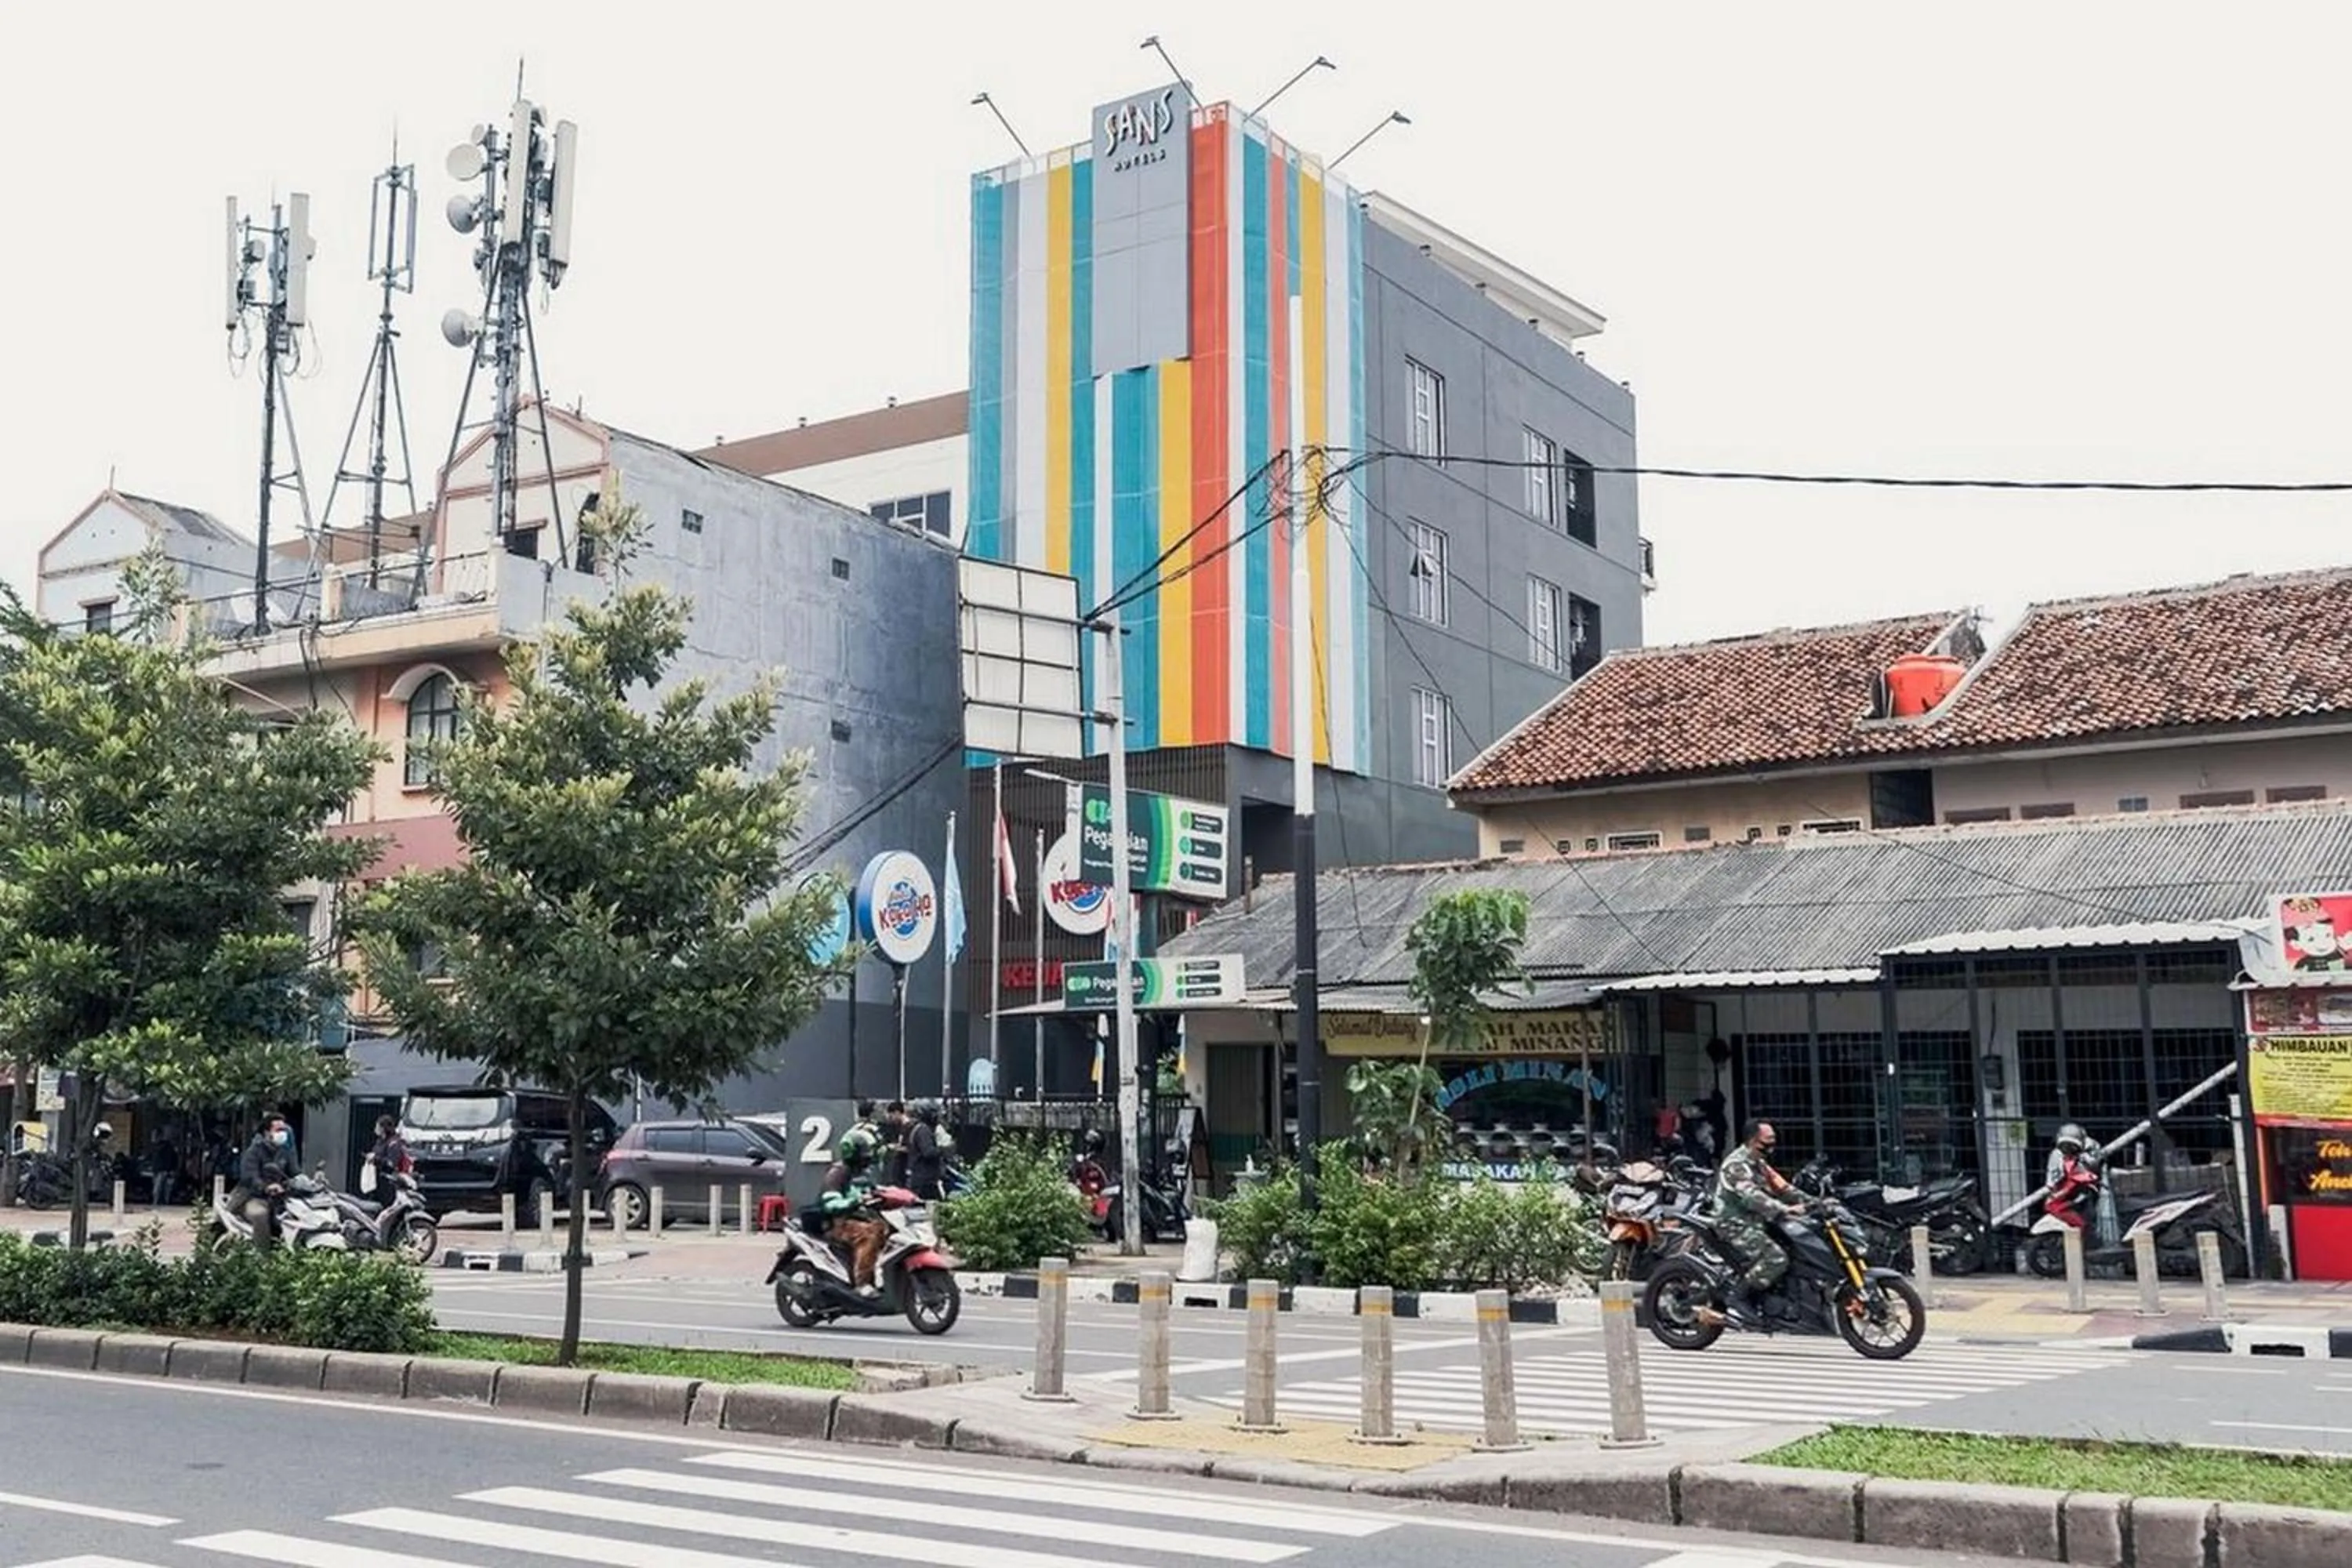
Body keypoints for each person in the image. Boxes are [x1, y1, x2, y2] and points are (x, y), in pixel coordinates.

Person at [1715, 1118, 1807, 1327]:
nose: (1772, 1145)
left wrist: (1814, 1202)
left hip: (1759, 1222)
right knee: (1776, 1258)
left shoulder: (1760, 1164)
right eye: (1768, 1141)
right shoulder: (1736, 1165)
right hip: (1734, 1224)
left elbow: (1783, 1188)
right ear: (1753, 1141)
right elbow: (1753, 1197)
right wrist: (1785, 1209)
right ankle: (1738, 1298)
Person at [818, 1127, 887, 1295]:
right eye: (865, 1152)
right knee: (869, 1235)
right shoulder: (838, 1172)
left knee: (888, 1230)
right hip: (838, 1225)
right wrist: (854, 1201)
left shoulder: (863, 1173)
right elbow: (830, 1203)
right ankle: (862, 1283)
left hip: (859, 1220)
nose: (868, 1156)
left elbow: (874, 1191)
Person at [230, 1114, 296, 1248]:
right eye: (278, 1130)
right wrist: (266, 1187)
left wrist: (308, 1183)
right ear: (267, 1132)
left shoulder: (285, 1152)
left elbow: (295, 1173)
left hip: (280, 1198)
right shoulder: (254, 1152)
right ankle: (263, 1258)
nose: (283, 1133)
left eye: (284, 1130)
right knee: (260, 1215)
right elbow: (249, 1177)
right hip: (252, 1198)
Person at [905, 1102, 945, 1200]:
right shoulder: (923, 1130)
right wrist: (944, 1150)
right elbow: (928, 1152)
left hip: (922, 1178)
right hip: (924, 1181)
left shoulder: (920, 1128)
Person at [366, 1114, 412, 1196]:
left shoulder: (393, 1143)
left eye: (377, 1127)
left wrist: (376, 1159)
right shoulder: (380, 1142)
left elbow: (391, 1163)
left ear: (383, 1128)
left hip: (389, 1183)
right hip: (376, 1180)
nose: (375, 1129)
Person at [880, 1101, 910, 1187]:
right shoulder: (901, 1127)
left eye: (891, 1116)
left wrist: (894, 1148)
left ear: (897, 1113)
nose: (891, 1119)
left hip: (907, 1167)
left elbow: (911, 1148)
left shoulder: (909, 1127)